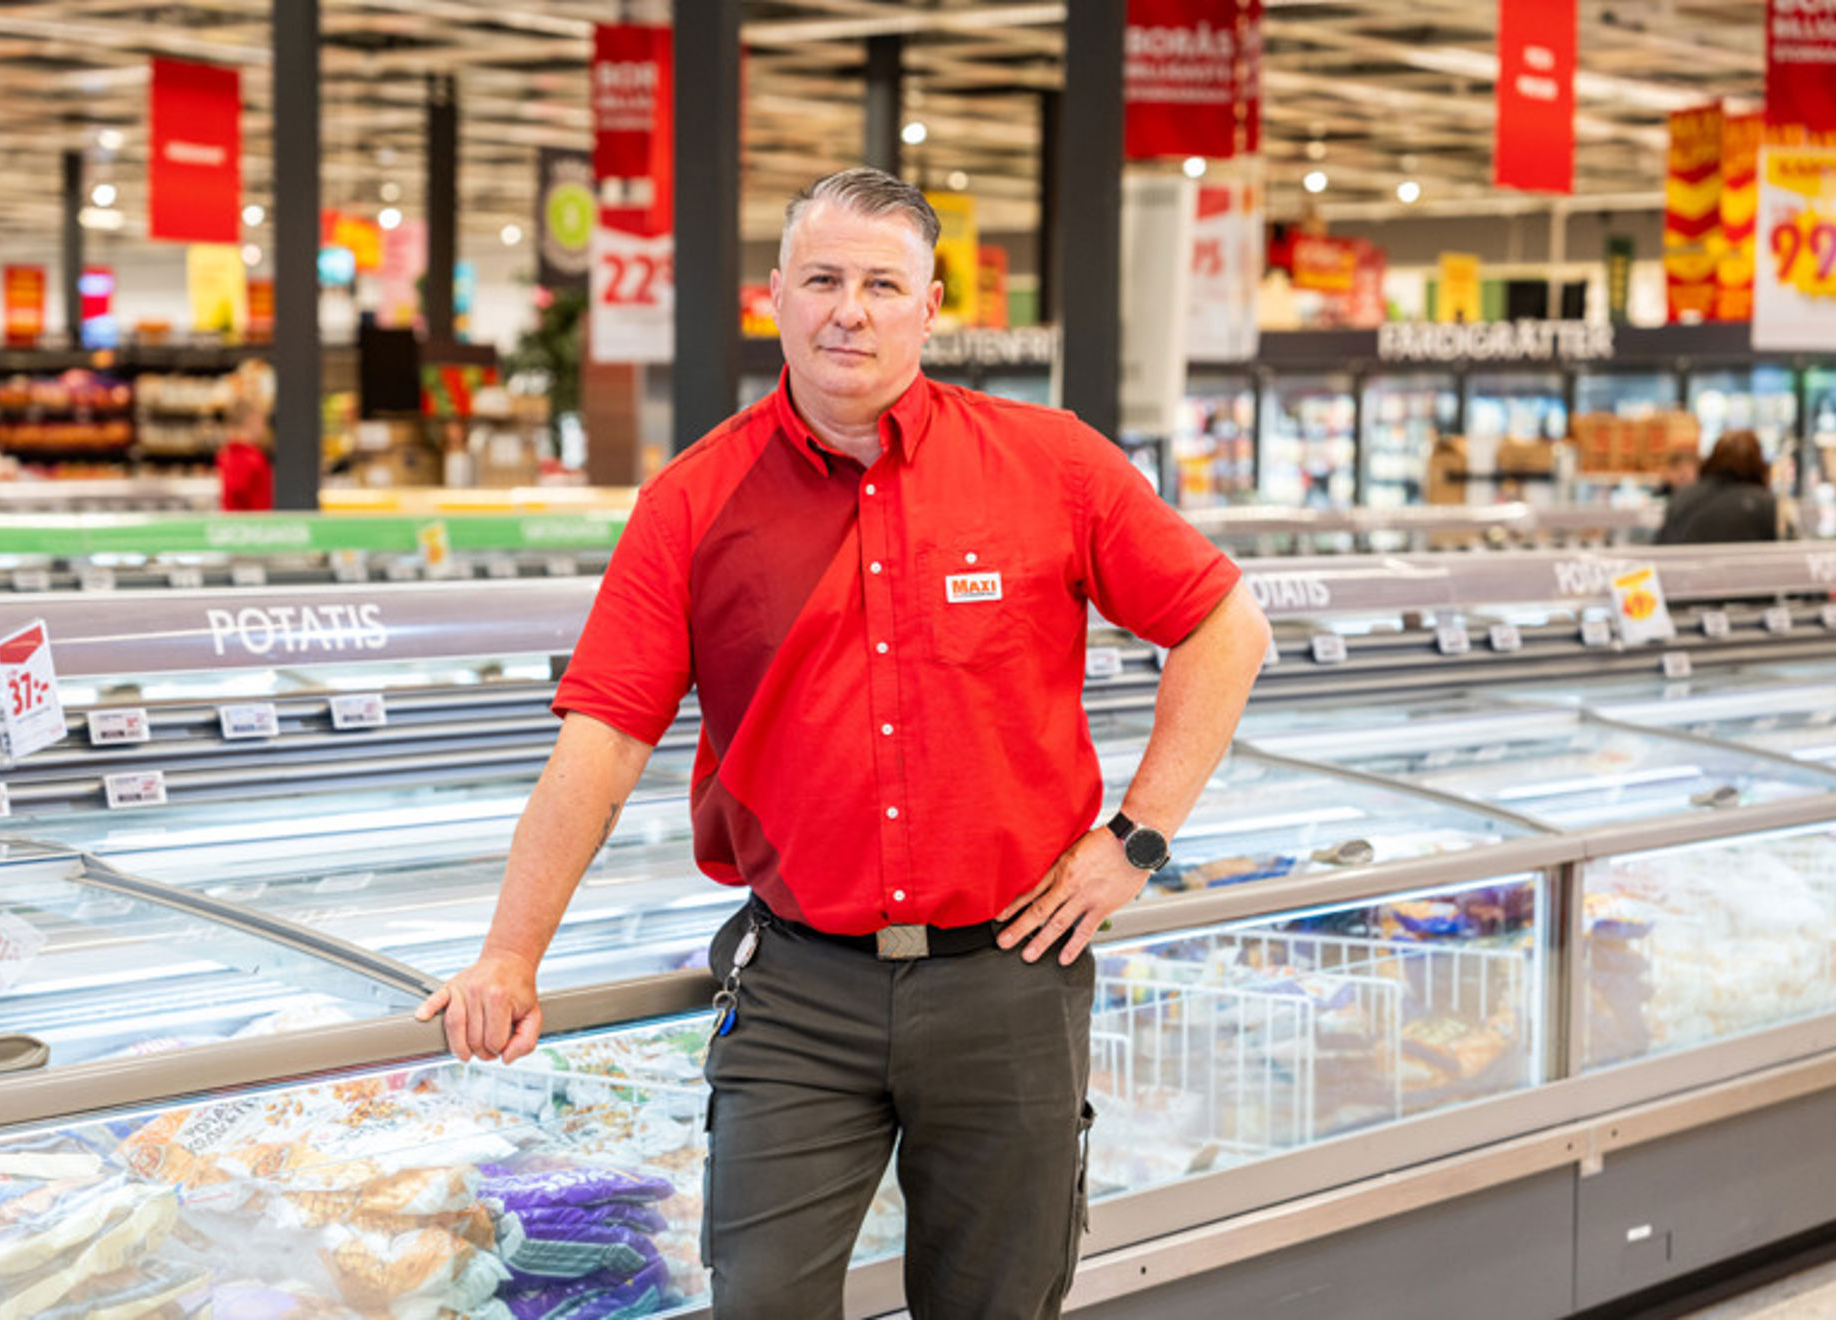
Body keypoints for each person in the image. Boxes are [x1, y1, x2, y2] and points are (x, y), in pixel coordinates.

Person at [417, 168, 1271, 1318]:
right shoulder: (692, 502)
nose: (848, 312)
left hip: (1009, 982)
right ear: (775, 295)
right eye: (822, 280)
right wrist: (510, 954)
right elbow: (605, 738)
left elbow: (1226, 624)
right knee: (761, 1301)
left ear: (930, 308)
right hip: (799, 997)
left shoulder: (1049, 464)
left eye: (882, 285)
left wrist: (1137, 838)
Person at [1655, 429, 1780, 544]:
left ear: (1713, 458)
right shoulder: (1766, 504)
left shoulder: (1683, 496)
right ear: (1758, 462)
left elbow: (1661, 544)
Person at [216, 401, 274, 512]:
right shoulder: (252, 459)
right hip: (253, 521)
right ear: (252, 420)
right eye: (263, 421)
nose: (264, 427)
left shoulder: (225, 455)